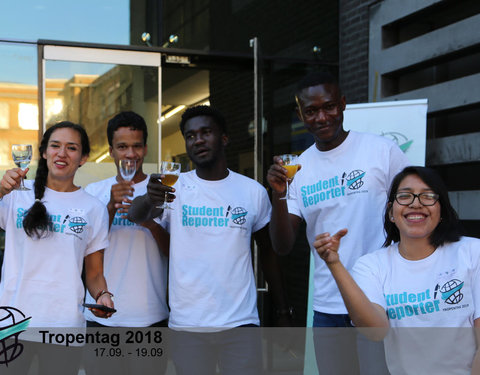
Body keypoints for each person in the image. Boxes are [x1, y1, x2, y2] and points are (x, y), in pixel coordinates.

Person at [128, 105, 291, 375]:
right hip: (188, 326)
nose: (198, 140)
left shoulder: (252, 191)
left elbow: (270, 255)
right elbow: (137, 214)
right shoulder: (173, 187)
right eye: (190, 136)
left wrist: (284, 311)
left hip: (240, 324)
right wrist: (149, 197)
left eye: (206, 132)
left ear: (224, 138)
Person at [267, 71, 409, 374]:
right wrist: (278, 196)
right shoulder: (298, 170)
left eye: (329, 107)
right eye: (311, 111)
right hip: (329, 309)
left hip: (381, 301)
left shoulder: (382, 151)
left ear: (342, 104)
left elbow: (416, 210)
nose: (321, 117)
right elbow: (282, 245)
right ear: (300, 115)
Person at [314, 166, 480, 374]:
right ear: (391, 212)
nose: (416, 203)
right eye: (405, 196)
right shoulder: (372, 265)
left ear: (442, 211)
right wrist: (334, 264)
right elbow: (375, 331)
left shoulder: (473, 252)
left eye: (427, 196)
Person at [0, 121, 112, 374]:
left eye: (72, 148)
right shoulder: (16, 193)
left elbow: (94, 274)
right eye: (55, 146)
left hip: (64, 326)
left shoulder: (93, 208)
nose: (62, 154)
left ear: (83, 158)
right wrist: (0, 190)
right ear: (43, 152)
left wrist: (103, 295)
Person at [83, 111, 169, 328]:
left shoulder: (161, 191)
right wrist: (110, 208)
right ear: (111, 151)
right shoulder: (94, 191)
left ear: (146, 149)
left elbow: (174, 252)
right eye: (122, 147)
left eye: (137, 146)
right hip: (101, 313)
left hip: (150, 315)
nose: (131, 153)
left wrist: (148, 221)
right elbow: (82, 247)